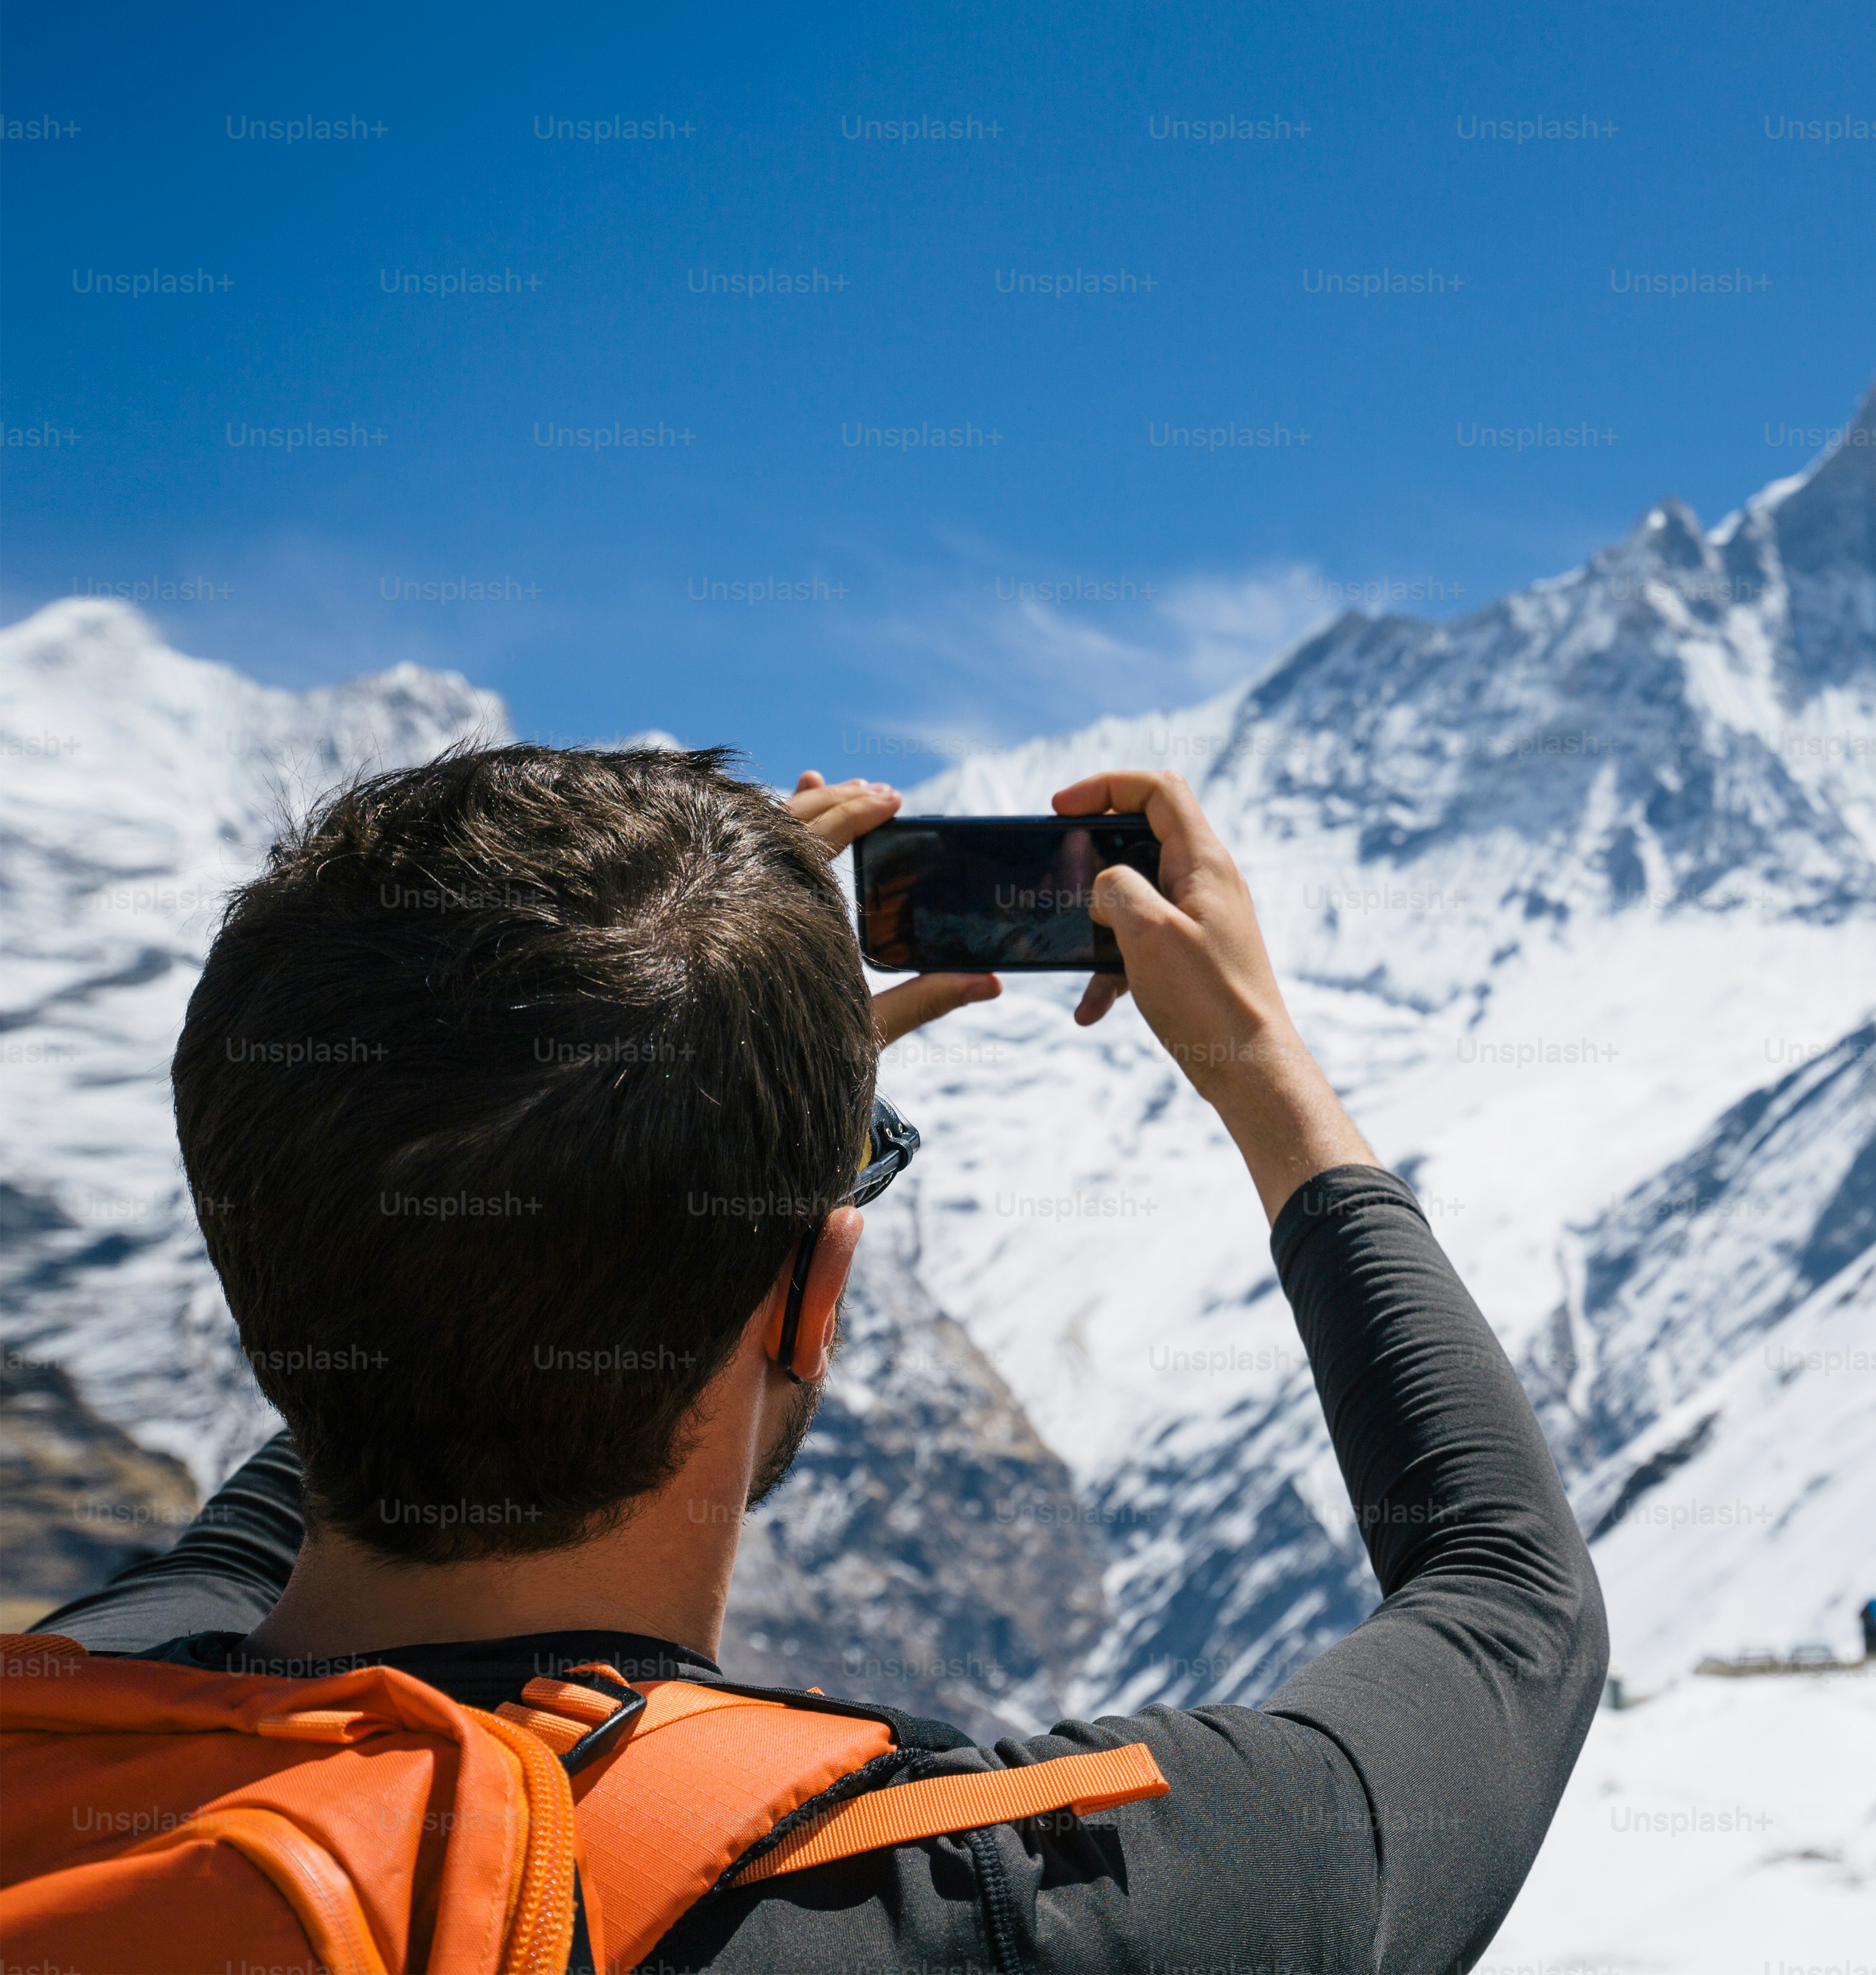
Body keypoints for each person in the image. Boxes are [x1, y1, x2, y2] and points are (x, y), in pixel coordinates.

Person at [24, 747, 1607, 1971]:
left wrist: (680, 1116)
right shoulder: (968, 1903)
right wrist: (1264, 1067)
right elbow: (1508, 1611)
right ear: (816, 1294)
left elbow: (381, 1310)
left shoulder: (78, 1731)